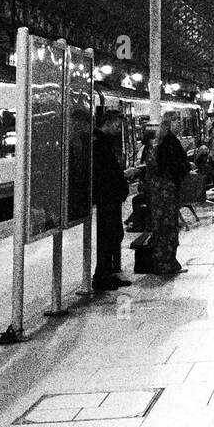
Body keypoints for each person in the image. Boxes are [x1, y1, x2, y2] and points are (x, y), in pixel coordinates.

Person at [91, 110, 132, 291]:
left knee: (114, 235)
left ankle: (110, 273)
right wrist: (122, 177)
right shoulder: (98, 144)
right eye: (116, 125)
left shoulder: (105, 143)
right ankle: (101, 277)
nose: (118, 130)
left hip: (111, 197)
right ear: (107, 122)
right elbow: (104, 174)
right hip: (106, 198)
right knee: (108, 237)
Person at [148, 111, 189, 274]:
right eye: (176, 121)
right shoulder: (171, 142)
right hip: (168, 188)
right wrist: (185, 168)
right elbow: (175, 165)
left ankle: (161, 260)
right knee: (169, 225)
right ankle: (166, 262)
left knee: (161, 225)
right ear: (169, 123)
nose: (179, 123)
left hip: (159, 188)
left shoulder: (160, 140)